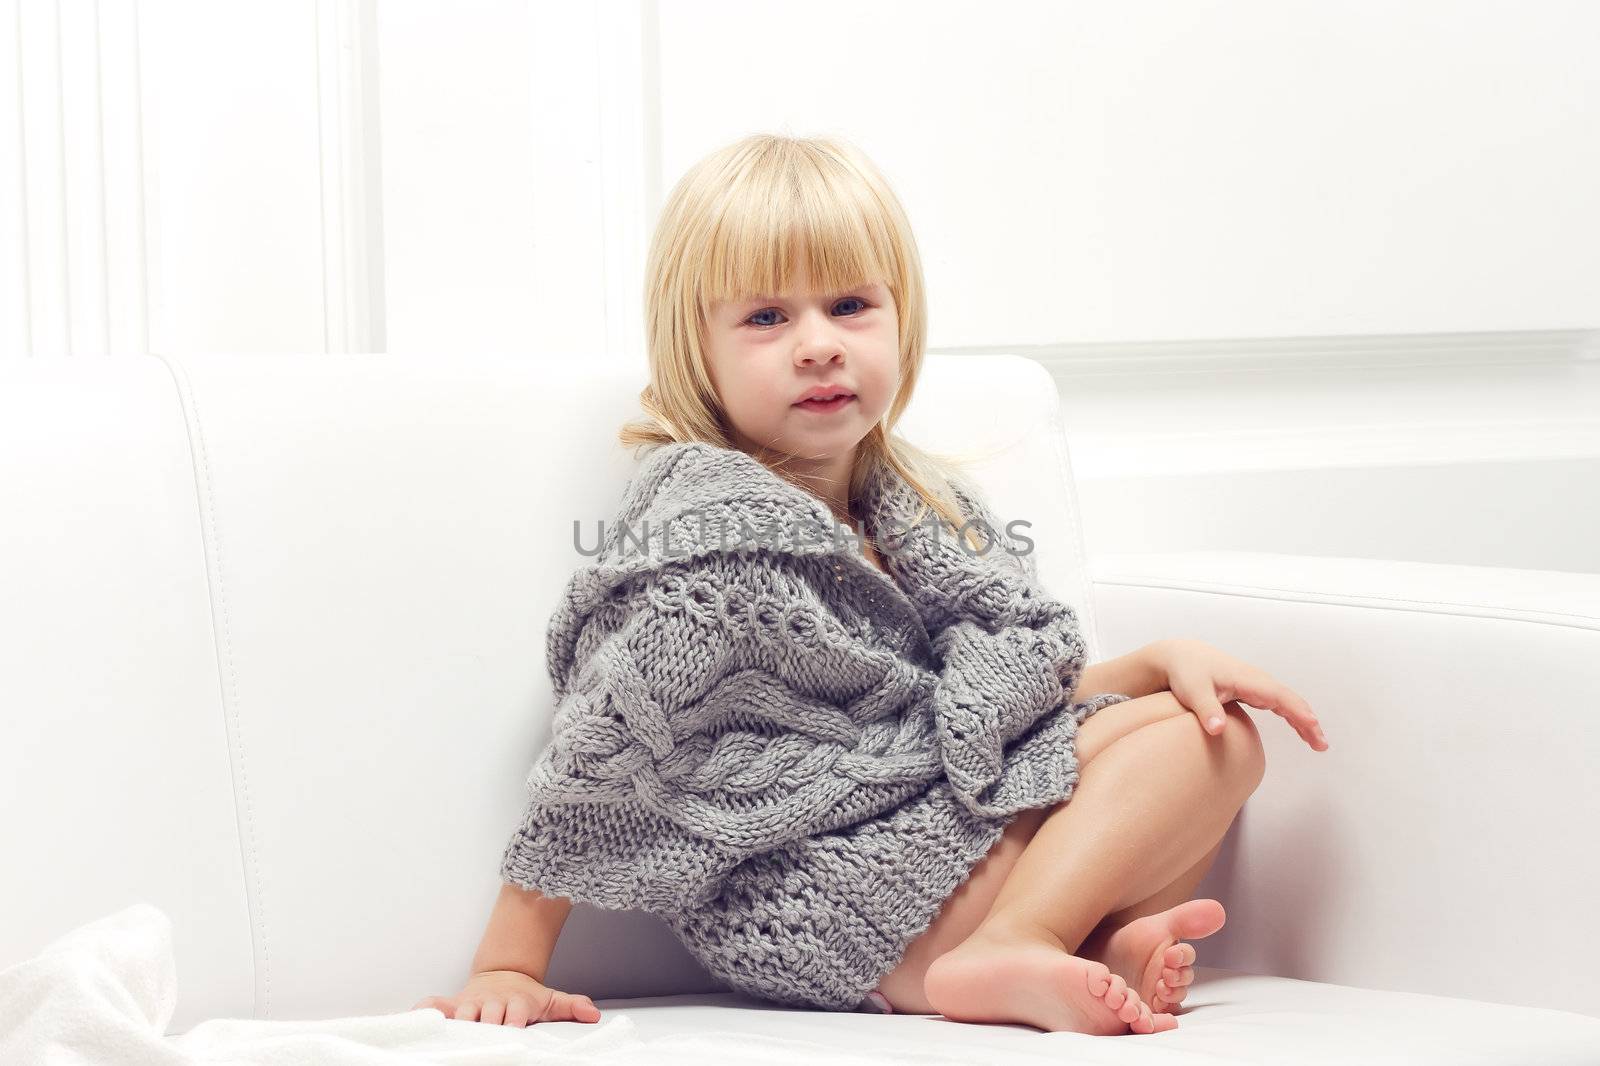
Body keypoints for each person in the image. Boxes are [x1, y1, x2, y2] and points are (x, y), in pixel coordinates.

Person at [414, 132, 1330, 1036]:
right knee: (1178, 741)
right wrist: (507, 964)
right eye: (766, 318)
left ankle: (1089, 949)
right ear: (698, 349)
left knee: (1216, 738)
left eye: (849, 304)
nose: (817, 346)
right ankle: (1012, 943)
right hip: (828, 894)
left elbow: (981, 727)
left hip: (940, 838)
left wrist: (1157, 662)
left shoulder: (928, 510)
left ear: (902, 319)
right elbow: (602, 750)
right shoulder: (710, 551)